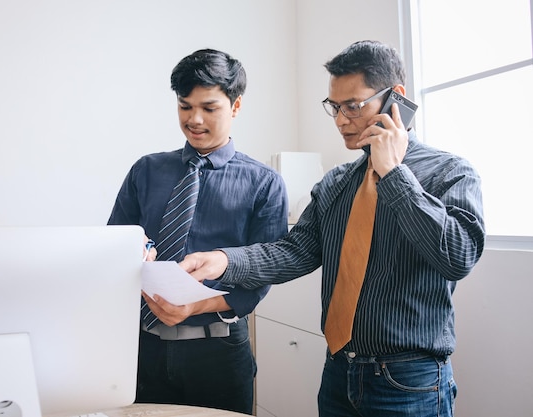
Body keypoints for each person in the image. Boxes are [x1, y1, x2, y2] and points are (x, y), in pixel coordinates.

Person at [180, 40, 485, 417]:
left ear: (396, 99)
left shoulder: (449, 173)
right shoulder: (336, 182)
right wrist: (224, 261)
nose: (341, 120)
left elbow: (458, 257)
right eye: (334, 107)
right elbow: (295, 251)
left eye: (353, 106)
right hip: (339, 373)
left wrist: (393, 173)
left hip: (409, 380)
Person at [107, 48, 289, 414]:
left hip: (218, 354)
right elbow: (112, 245)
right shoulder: (146, 170)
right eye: (184, 106)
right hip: (142, 350)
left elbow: (262, 277)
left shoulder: (264, 183)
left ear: (235, 106)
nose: (194, 119)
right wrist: (133, 250)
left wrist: (195, 306)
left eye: (209, 108)